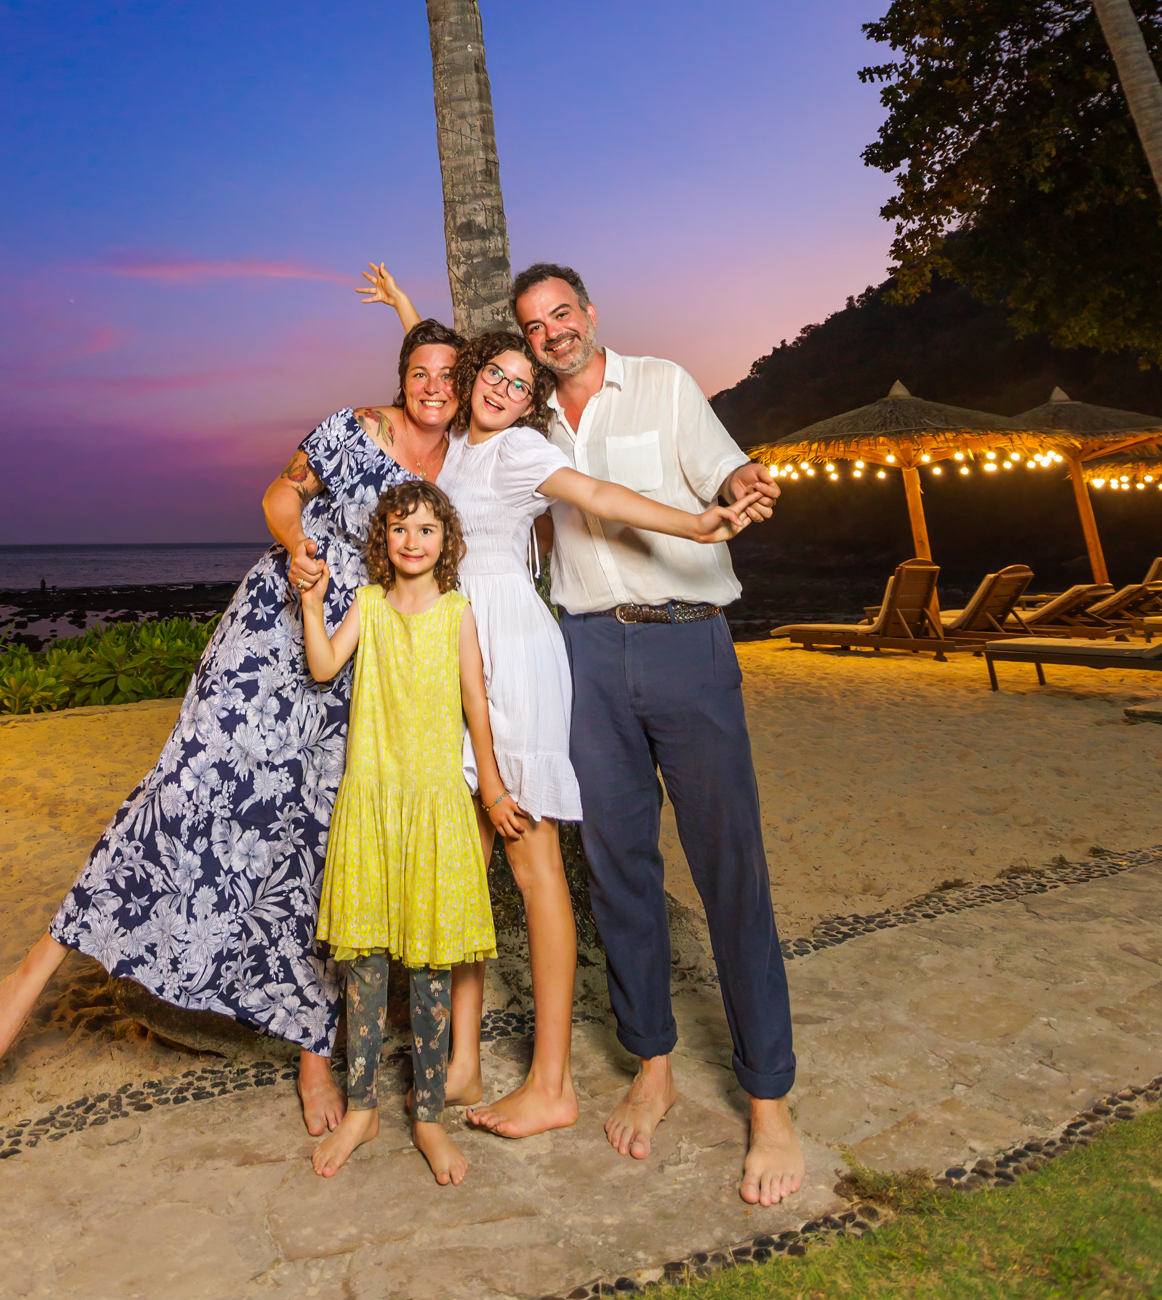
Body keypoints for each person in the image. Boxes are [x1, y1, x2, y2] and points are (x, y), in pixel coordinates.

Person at [0, 307, 464, 1141]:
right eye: (421, 371)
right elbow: (280, 496)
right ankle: (41, 961)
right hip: (277, 627)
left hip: (364, 655)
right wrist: (299, 545)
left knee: (319, 835)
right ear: (401, 376)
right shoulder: (352, 428)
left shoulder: (465, 457)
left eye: (448, 377)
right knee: (188, 786)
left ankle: (314, 1045)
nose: (435, 388)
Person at [512, 263, 803, 1209]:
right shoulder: (530, 428)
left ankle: (769, 1101)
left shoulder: (665, 383)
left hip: (688, 645)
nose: (554, 331)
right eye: (536, 324)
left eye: (563, 313)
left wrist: (749, 482)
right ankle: (653, 1063)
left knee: (731, 869)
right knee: (619, 870)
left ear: (590, 314)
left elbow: (726, 469)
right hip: (587, 659)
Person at [433, 322, 765, 1143]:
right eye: (495, 374)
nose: (504, 390)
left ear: (530, 400)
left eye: (520, 384)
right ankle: (464, 1059)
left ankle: (553, 1085)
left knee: (534, 857)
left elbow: (601, 498)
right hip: (457, 650)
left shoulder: (521, 454)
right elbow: (430, 366)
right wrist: (402, 304)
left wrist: (692, 526)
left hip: (512, 650)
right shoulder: (452, 448)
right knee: (468, 854)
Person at [301, 479, 513, 1184]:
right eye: (399, 529)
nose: (412, 540)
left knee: (428, 970)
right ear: (382, 542)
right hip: (372, 802)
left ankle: (428, 1116)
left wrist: (493, 784)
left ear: (445, 541)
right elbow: (325, 665)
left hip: (433, 805)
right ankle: (362, 1110)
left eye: (425, 529)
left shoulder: (458, 612)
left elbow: (476, 703)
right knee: (363, 970)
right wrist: (309, 600)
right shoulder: (365, 605)